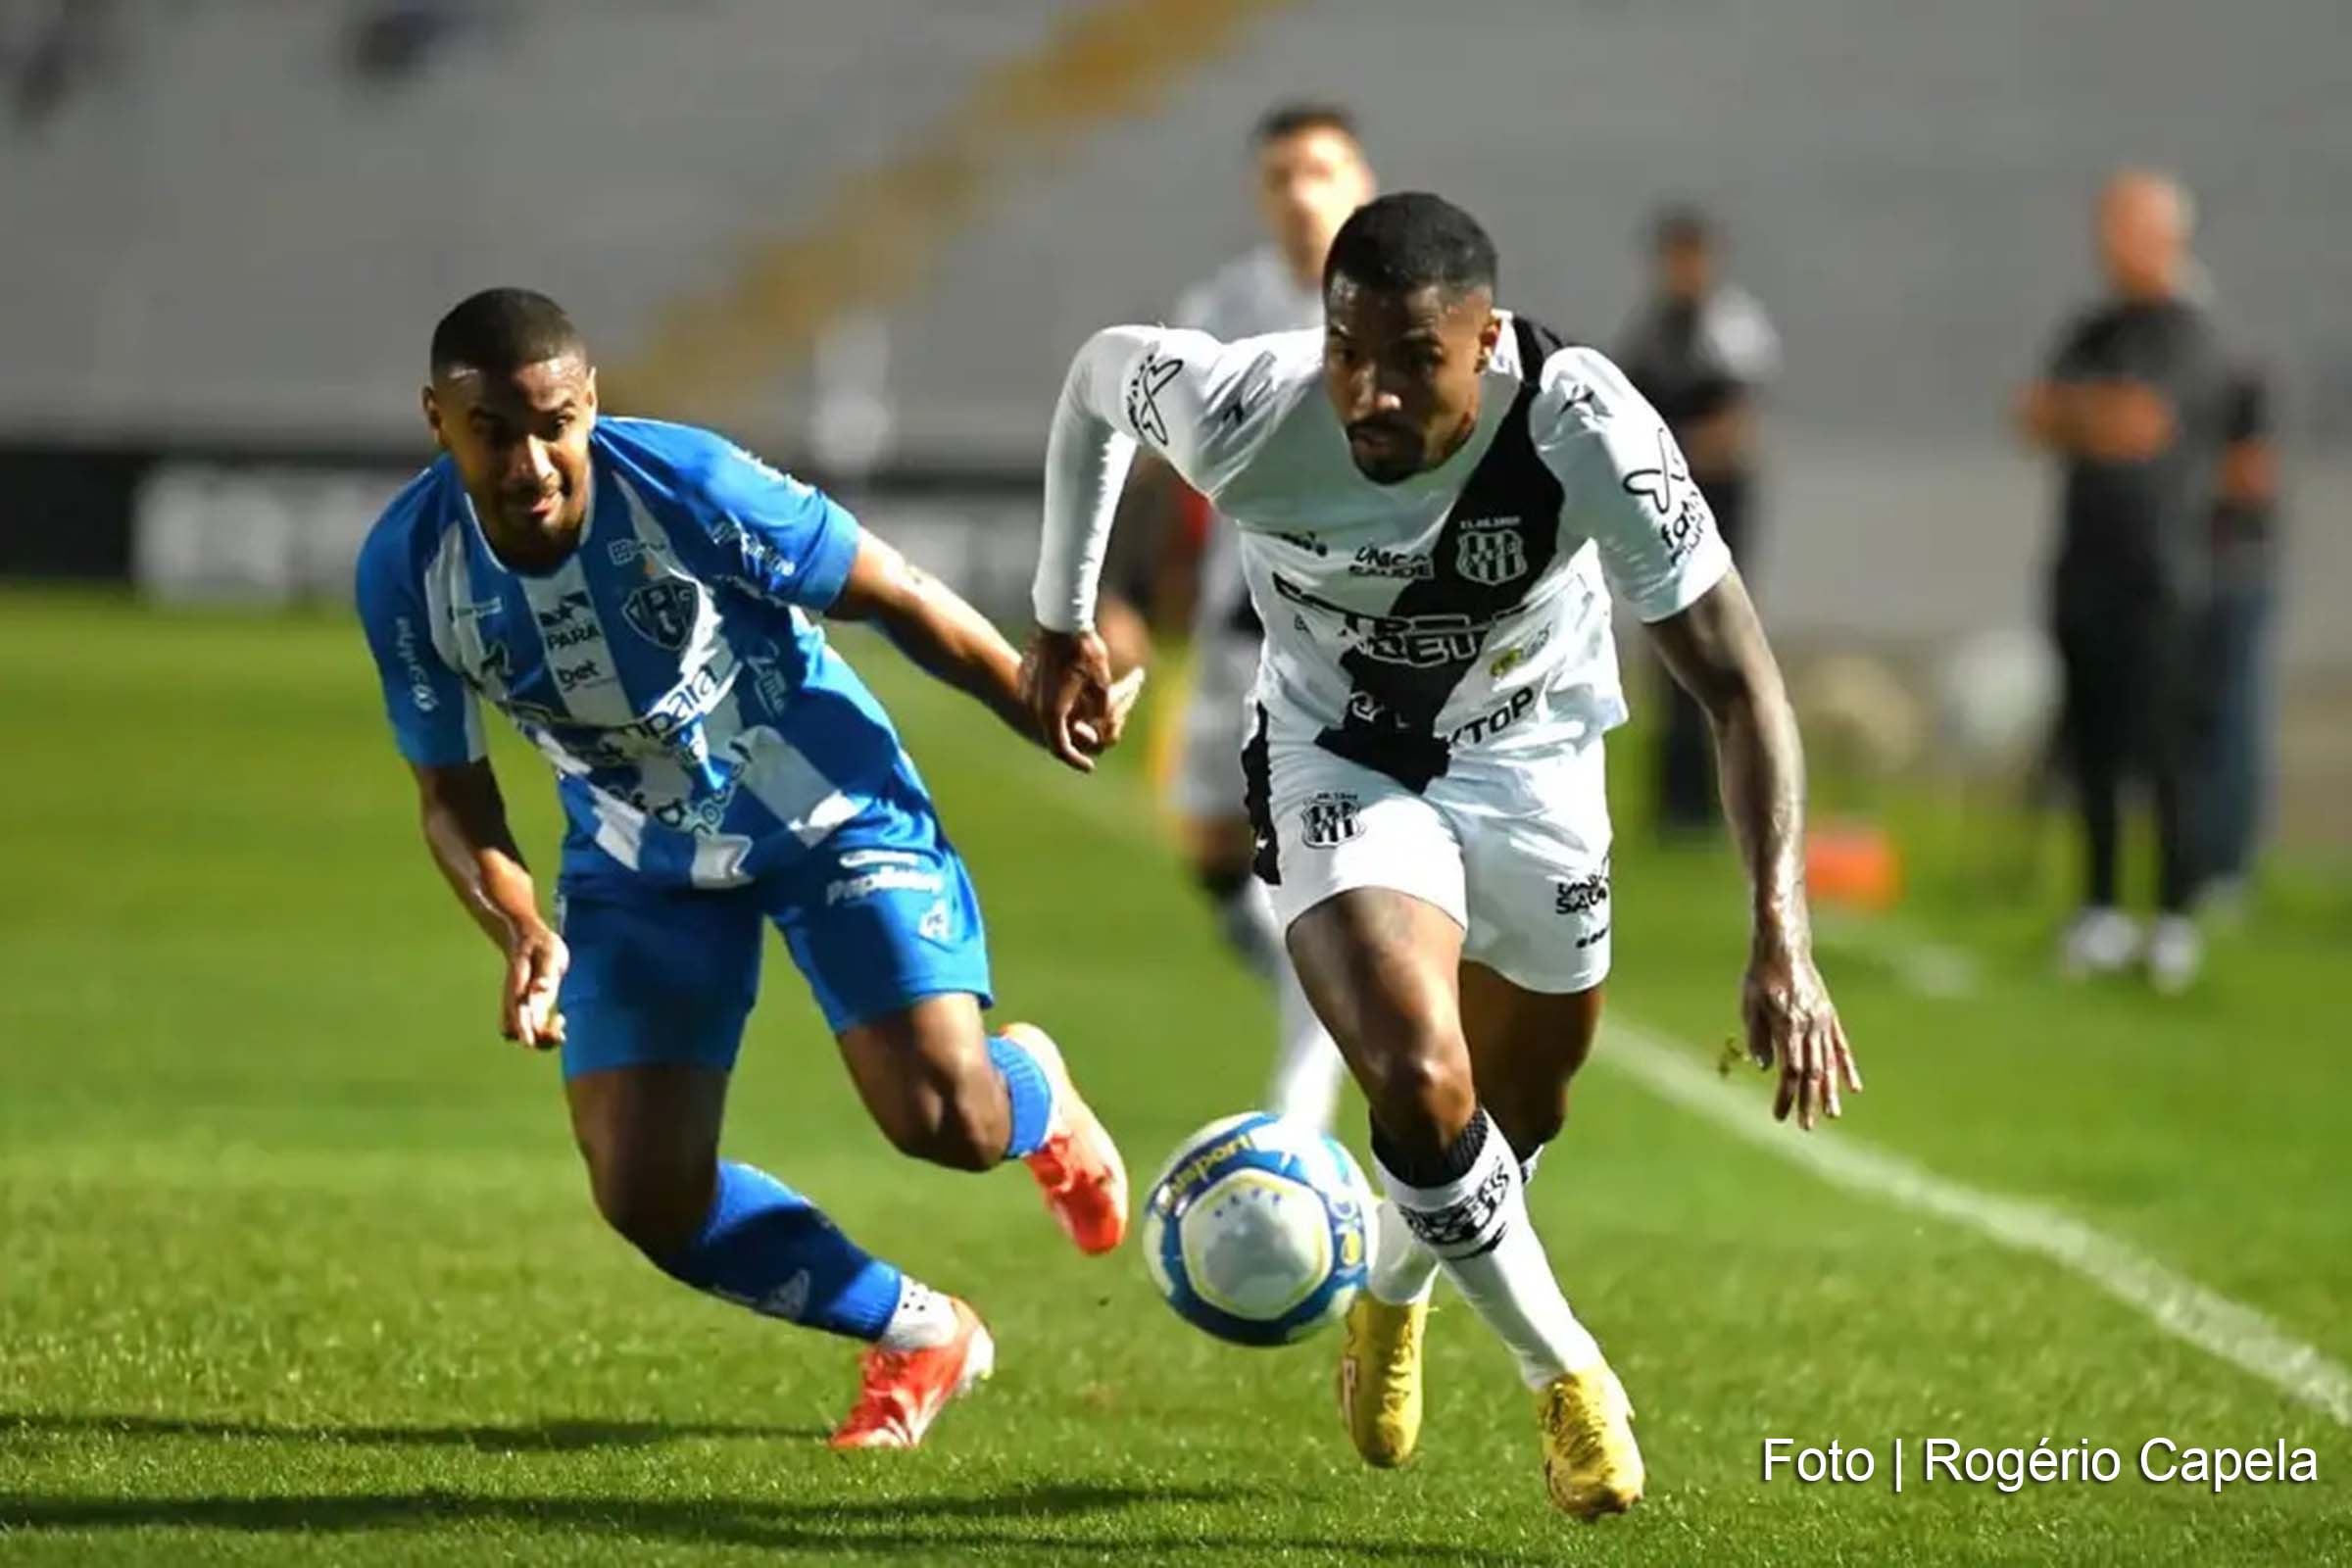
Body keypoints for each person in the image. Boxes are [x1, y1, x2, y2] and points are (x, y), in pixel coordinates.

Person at [1023, 194, 1857, 1519]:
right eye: (1351, 347)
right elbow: (1093, 383)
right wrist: (1061, 618)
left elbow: (1744, 690)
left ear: (1488, 342)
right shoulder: (1250, 409)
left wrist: (1784, 936)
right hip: (1335, 760)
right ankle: (1566, 1373)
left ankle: (1396, 1290)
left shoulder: (1585, 429)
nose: (1374, 389)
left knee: (1517, 1121)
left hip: (1535, 768)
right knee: (1418, 1071)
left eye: (1415, 358)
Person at [355, 288, 1133, 1452]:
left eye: (553, 423)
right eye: (492, 430)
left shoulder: (689, 486)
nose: (529, 461)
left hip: (819, 796)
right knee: (645, 1194)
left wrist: (1033, 699)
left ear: (591, 403)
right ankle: (921, 1331)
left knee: (944, 1119)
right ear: (437, 419)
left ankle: (1029, 1083)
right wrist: (516, 922)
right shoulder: (408, 570)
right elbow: (451, 796)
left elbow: (894, 593)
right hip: (638, 856)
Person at [1151, 101, 1375, 1129]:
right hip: (1231, 623)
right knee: (1213, 851)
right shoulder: (1225, 301)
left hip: (1347, 631)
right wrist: (1120, 598)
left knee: (1319, 861)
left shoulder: (1398, 297)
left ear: (1359, 182)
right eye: (1282, 174)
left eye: (1321, 170)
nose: (1301, 192)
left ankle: (1305, 1088)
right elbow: (1167, 459)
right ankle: (1324, 988)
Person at [2017, 172, 2232, 991]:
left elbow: (2139, 427)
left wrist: (2081, 415)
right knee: (2095, 743)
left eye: (2129, 225)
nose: (2112, 241)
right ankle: (2100, 908)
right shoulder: (2095, 328)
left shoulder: (2190, 333)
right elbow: (2031, 414)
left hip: (2165, 570)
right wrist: (2086, 415)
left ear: (2167, 235)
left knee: (2166, 748)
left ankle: (2173, 913)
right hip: (2086, 565)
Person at [1616, 204, 1782, 837]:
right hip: (1662, 506)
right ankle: (1674, 804)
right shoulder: (1652, 331)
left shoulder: (1732, 328)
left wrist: (1670, 455)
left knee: (1722, 649)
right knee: (1667, 652)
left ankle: (1725, 801)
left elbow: (1737, 430)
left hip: (1717, 506)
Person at [2191, 365, 2278, 916]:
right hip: (2198, 579)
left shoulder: (2230, 386)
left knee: (2232, 724)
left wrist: (2181, 475)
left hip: (2236, 576)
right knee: (2197, 727)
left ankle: (2226, 868)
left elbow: (2254, 478)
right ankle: (2198, 860)